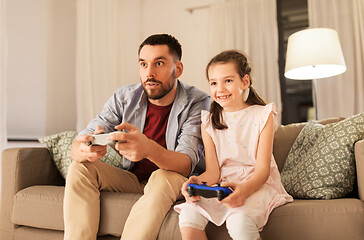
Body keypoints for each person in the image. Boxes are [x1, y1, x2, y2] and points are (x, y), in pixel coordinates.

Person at [63, 34, 210, 240]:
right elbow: (79, 143)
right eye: (143, 64)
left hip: (176, 180)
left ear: (178, 69)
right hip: (133, 179)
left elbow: (185, 164)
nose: (149, 73)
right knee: (80, 168)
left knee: (161, 177)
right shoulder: (124, 97)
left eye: (159, 63)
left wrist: (148, 149)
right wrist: (85, 148)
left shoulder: (198, 102)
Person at [174, 50, 293, 240]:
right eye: (214, 83)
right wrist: (196, 182)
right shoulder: (208, 122)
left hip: (257, 185)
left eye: (228, 81)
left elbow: (263, 171)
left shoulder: (263, 115)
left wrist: (243, 191)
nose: (219, 89)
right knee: (188, 214)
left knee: (238, 221)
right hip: (223, 185)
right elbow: (213, 172)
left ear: (245, 82)